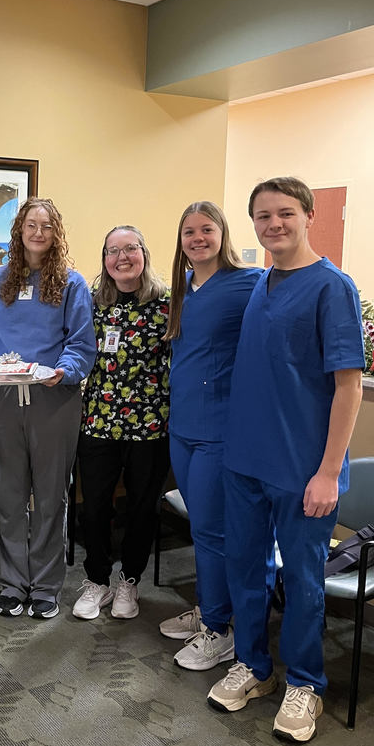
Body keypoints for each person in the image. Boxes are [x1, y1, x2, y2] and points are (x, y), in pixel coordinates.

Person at [208, 177, 364, 744]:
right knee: (245, 570)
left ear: (308, 216)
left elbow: (349, 387)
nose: (274, 224)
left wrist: (328, 472)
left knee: (302, 582)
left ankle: (305, 683)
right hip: (246, 460)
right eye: (263, 216)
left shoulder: (332, 288)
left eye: (285, 213)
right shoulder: (261, 284)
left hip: (303, 471)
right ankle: (253, 667)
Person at [0, 197, 96, 619]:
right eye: (31, 225)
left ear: (56, 233)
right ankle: (12, 583)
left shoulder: (72, 284)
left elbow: (81, 344)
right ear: (19, 231)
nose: (38, 232)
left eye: (46, 225)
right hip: (2, 402)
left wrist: (64, 371)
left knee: (49, 499)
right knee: (8, 498)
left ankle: (45, 586)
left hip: (53, 402)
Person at [158, 203, 263, 670]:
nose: (197, 238)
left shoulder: (250, 283)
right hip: (182, 426)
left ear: (223, 233)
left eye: (207, 229)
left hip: (218, 430)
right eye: (189, 232)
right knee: (200, 527)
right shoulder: (183, 288)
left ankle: (220, 630)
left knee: (211, 530)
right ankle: (208, 610)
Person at [72, 226, 171, 622]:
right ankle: (97, 580)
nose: (122, 257)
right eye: (113, 251)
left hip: (151, 424)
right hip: (99, 420)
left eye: (130, 248)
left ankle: (129, 580)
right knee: (95, 508)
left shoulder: (168, 303)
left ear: (144, 253)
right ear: (105, 259)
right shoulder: (91, 302)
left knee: (142, 508)